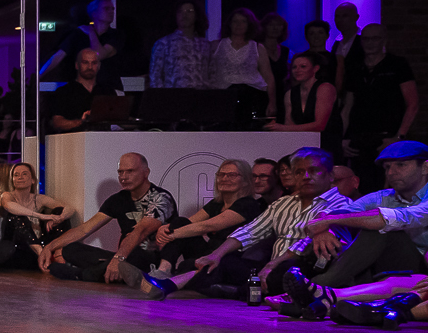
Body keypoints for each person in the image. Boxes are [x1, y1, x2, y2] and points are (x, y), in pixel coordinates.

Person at [176, 148, 353, 296]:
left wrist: (272, 264)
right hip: (271, 267)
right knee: (218, 262)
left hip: (308, 267)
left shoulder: (342, 204)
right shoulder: (283, 203)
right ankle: (233, 290)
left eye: (314, 171)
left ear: (330, 176)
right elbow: (251, 231)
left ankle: (233, 291)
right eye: (299, 172)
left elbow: (307, 245)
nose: (306, 176)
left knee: (289, 270)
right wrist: (216, 255)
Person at [298, 140, 428, 287]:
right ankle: (317, 286)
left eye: (401, 165)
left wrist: (328, 221)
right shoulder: (383, 196)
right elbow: (336, 213)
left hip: (421, 269)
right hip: (385, 265)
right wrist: (324, 229)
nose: (391, 173)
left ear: (425, 167)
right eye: (387, 167)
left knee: (381, 229)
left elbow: (396, 218)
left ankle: (319, 286)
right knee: (339, 237)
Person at [36, 152, 175, 287]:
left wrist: (118, 259)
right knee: (69, 249)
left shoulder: (161, 198)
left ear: (146, 172)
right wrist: (49, 247)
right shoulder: (118, 199)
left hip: (149, 260)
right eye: (120, 172)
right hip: (123, 256)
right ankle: (111, 272)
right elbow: (85, 229)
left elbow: (141, 231)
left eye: (130, 171)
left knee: (136, 256)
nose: (124, 177)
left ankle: (81, 275)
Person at [145, 160, 262, 286]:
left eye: (232, 175)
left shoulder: (248, 204)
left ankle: (173, 277)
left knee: (187, 265)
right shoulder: (217, 203)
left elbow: (207, 226)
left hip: (229, 257)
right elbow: (189, 223)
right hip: (209, 252)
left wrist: (171, 235)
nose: (225, 178)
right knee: (180, 221)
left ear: (245, 181)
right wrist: (165, 229)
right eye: (221, 175)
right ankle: (163, 270)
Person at [339, 24, 417, 181]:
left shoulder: (397, 64)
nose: (370, 43)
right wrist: (342, 138)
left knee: (389, 182)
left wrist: (399, 136)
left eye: (375, 38)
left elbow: (413, 104)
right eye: (366, 39)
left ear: (384, 40)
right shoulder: (355, 66)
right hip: (359, 137)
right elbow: (347, 106)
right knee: (359, 183)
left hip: (387, 135)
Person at [0, 160, 73, 269]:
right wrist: (42, 216)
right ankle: (43, 255)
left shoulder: (38, 199)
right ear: (12, 180)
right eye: (16, 175)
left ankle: (58, 254)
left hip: (37, 248)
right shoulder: (7, 195)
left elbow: (69, 208)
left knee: (59, 210)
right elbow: (8, 206)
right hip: (17, 250)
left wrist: (59, 218)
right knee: (17, 216)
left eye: (24, 174)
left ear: (33, 180)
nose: (20, 177)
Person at [266, 51, 340, 156]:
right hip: (302, 147)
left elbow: (320, 125)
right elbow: (290, 125)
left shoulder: (325, 88)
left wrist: (282, 128)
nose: (297, 70)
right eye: (294, 67)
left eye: (303, 66)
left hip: (326, 145)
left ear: (315, 68)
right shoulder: (290, 94)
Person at [212, 7, 274, 123]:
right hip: (224, 97)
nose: (239, 25)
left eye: (243, 21)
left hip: (253, 97)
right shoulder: (216, 46)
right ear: (229, 24)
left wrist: (272, 102)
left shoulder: (257, 48)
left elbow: (268, 77)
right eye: (235, 21)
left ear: (249, 24)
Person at [41, 0, 119, 84]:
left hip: (109, 88)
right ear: (94, 13)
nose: (111, 12)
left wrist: (91, 32)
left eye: (112, 9)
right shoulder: (79, 34)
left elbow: (99, 55)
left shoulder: (116, 35)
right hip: (83, 88)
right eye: (106, 8)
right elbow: (58, 56)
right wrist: (39, 76)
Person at [47, 48, 122, 134]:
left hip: (106, 139)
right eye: (85, 62)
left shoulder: (107, 91)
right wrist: (82, 122)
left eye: (94, 63)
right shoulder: (63, 92)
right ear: (77, 65)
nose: (90, 67)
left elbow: (119, 120)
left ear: (99, 66)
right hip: (74, 140)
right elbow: (56, 123)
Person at [147, 1, 212, 89]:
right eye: (180, 11)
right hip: (173, 96)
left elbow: (211, 74)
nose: (184, 15)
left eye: (189, 11)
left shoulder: (205, 45)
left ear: (196, 15)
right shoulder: (163, 44)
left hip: (201, 95)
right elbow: (155, 77)